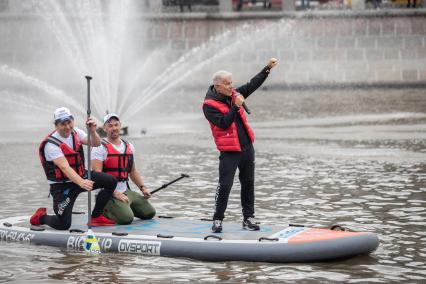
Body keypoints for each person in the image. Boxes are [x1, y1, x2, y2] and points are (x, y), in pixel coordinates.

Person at [203, 58, 278, 233]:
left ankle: (248, 218)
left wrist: (267, 68)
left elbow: (252, 84)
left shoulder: (234, 94)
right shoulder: (208, 105)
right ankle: (218, 219)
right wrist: (236, 107)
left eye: (232, 83)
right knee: (225, 185)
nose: (231, 86)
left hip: (246, 147)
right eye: (228, 84)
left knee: (248, 182)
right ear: (218, 86)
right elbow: (223, 123)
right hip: (229, 152)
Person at [30, 107, 117, 230]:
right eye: (62, 124)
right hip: (63, 187)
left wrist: (92, 131)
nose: (67, 127)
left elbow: (96, 143)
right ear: (56, 125)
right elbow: (65, 167)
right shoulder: (51, 144)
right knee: (63, 224)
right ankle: (41, 217)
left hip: (81, 176)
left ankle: (96, 217)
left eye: (69, 122)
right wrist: (82, 182)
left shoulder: (76, 132)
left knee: (111, 181)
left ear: (73, 121)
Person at [91, 113, 155, 225]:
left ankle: (124, 207)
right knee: (126, 219)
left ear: (120, 125)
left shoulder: (129, 146)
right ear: (104, 128)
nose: (114, 128)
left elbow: (133, 172)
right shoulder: (99, 147)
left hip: (125, 191)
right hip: (107, 194)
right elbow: (98, 176)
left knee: (149, 213)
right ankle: (104, 210)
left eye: (116, 125)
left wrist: (143, 188)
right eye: (110, 126)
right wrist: (115, 193)